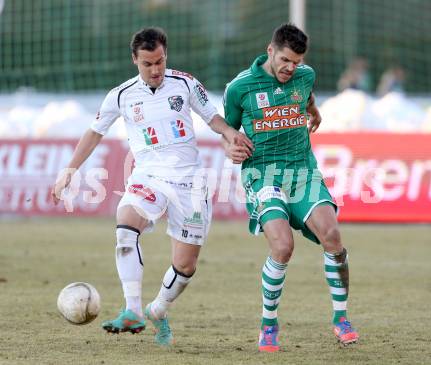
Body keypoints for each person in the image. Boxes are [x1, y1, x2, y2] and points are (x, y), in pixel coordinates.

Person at [51, 27, 252, 346]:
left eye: (159, 61)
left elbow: (213, 118)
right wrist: (70, 170)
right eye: (147, 64)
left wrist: (230, 134)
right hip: (148, 176)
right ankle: (132, 310)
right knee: (125, 227)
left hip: (190, 183)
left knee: (185, 266)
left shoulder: (185, 83)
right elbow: (94, 132)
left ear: (165, 56)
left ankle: (158, 309)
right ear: (135, 60)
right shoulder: (121, 94)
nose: (155, 69)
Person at [222, 23, 359, 352]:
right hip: (263, 174)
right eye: (285, 60)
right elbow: (227, 127)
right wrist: (229, 146)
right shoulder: (240, 87)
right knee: (282, 246)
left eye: (296, 62)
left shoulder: (305, 75)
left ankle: (341, 318)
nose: (290, 68)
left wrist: (313, 110)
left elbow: (306, 96)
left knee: (333, 236)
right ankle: (269, 324)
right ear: (270, 51)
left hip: (302, 170)